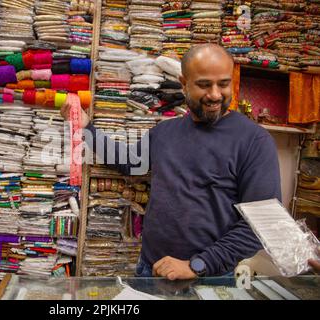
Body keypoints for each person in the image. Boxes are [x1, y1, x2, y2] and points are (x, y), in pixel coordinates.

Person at [61, 43, 282, 280]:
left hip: (208, 277)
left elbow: (260, 225)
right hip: (149, 269)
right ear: (184, 83)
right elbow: (128, 162)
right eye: (204, 84)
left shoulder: (254, 141)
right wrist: (87, 128)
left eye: (223, 84)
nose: (215, 94)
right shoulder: (165, 132)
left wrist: (198, 265)